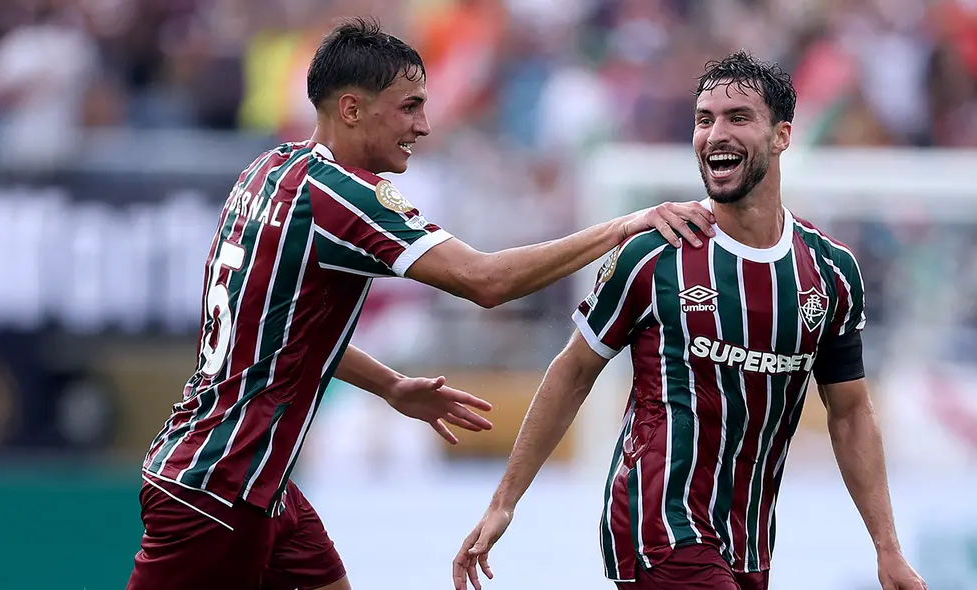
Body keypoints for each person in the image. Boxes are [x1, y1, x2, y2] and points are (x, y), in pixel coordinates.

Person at [126, 17, 715, 590]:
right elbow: (486, 282)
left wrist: (390, 385)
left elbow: (274, 329)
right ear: (353, 109)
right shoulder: (342, 198)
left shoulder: (269, 171)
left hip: (252, 475)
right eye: (410, 106)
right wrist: (624, 226)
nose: (425, 125)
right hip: (222, 486)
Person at [453, 50, 928, 590]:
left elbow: (849, 414)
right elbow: (573, 372)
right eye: (704, 120)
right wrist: (503, 504)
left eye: (737, 118)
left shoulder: (830, 272)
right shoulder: (656, 254)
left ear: (782, 136)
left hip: (748, 543)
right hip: (658, 525)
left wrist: (887, 547)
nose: (715, 134)